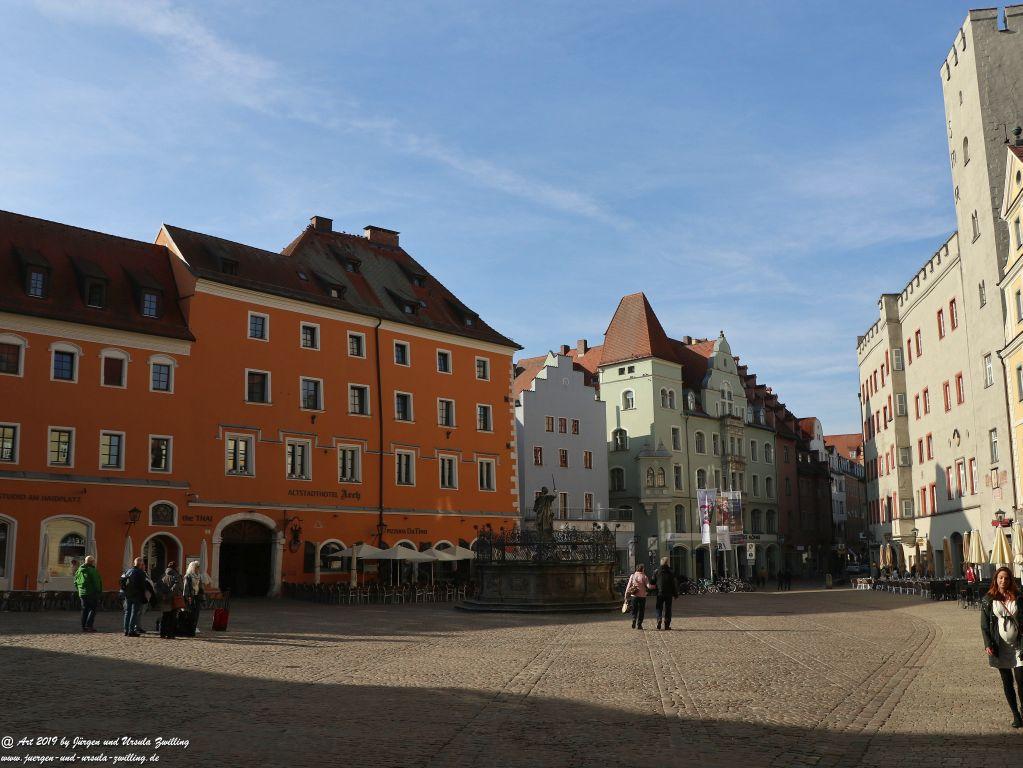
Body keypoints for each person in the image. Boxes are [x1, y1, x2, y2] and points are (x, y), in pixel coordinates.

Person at [981, 566, 1023, 727]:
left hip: (1019, 645)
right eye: (1000, 578)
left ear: (1010, 580)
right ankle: (1016, 715)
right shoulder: (988, 599)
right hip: (1000, 646)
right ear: (996, 580)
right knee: (1007, 681)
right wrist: (987, 644)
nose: (1003, 580)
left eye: (1006, 578)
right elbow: (984, 625)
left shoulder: (1018, 597)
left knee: (1021, 680)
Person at [73, 555, 102, 633]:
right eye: (93, 561)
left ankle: (83, 626)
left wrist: (79, 590)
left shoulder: (79, 570)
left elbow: (75, 582)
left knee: (84, 609)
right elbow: (96, 582)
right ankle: (89, 625)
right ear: (92, 562)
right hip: (91, 593)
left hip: (82, 593)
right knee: (93, 609)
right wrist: (99, 591)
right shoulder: (92, 570)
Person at [121, 557, 148, 638]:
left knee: (127, 612)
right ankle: (131, 630)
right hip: (136, 595)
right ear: (140, 564)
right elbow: (143, 586)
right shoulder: (140, 572)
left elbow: (122, 582)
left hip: (128, 595)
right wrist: (143, 596)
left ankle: (126, 630)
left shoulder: (128, 571)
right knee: (134, 613)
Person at [156, 562, 183, 639]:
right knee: (172, 617)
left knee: (164, 616)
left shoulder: (163, 576)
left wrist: (163, 595)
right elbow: (177, 587)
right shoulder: (176, 576)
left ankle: (162, 633)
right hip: (173, 599)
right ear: (175, 567)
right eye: (177, 567)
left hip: (164, 599)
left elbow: (158, 587)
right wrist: (169, 595)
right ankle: (170, 634)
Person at [652, 558, 678, 631]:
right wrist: (675, 594)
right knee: (668, 609)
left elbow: (652, 582)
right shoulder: (671, 572)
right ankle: (667, 625)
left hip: (660, 593)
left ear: (661, 563)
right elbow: (673, 584)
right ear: (667, 563)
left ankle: (659, 619)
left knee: (658, 608)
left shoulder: (657, 571)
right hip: (668, 594)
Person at [625, 563, 653, 630]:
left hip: (634, 596)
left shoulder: (633, 575)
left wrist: (626, 594)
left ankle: (634, 619)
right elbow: (648, 586)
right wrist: (654, 586)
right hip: (642, 596)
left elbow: (628, 586)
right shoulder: (644, 576)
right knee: (641, 610)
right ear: (642, 569)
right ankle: (639, 624)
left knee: (634, 609)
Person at [181, 561, 205, 637]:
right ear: (193, 567)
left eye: (198, 567)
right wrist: (187, 597)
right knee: (190, 615)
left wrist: (203, 597)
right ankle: (189, 631)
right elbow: (186, 588)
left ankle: (193, 630)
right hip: (191, 597)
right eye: (197, 567)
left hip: (197, 597)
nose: (198, 568)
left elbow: (201, 587)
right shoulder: (188, 576)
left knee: (196, 614)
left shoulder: (199, 576)